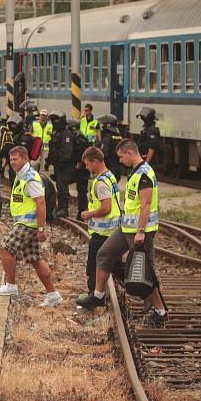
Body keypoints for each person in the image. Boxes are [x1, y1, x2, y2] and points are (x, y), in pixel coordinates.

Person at [78, 139, 166, 326]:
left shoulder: (144, 174)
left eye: (120, 156)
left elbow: (146, 204)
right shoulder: (135, 171)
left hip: (140, 232)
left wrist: (141, 232)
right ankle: (98, 295)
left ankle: (160, 311)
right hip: (126, 228)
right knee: (104, 254)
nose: (120, 160)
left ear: (129, 153)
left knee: (144, 271)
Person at [0, 146, 62, 308]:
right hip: (25, 222)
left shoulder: (31, 178)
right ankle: (53, 295)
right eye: (11, 159)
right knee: (35, 259)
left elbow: (41, 203)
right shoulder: (21, 175)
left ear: (25, 158)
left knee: (5, 247)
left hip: (28, 223)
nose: (12, 162)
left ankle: (10, 286)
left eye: (16, 159)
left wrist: (41, 228)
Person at [78, 147, 123, 302]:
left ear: (95, 161)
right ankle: (138, 287)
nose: (86, 167)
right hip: (113, 230)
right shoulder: (110, 176)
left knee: (93, 266)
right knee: (116, 265)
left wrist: (87, 214)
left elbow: (106, 208)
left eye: (87, 164)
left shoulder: (101, 183)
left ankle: (94, 297)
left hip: (103, 233)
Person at [47, 110, 74, 218]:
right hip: (58, 165)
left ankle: (64, 209)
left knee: (63, 187)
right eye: (53, 120)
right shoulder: (57, 133)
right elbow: (53, 148)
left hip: (65, 165)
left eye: (56, 119)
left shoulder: (67, 133)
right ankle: (60, 207)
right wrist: (48, 161)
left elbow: (68, 151)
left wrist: (62, 162)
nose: (55, 122)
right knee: (59, 185)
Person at [96, 114, 124, 180]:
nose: (102, 127)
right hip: (117, 169)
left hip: (109, 170)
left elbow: (103, 155)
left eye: (103, 125)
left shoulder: (107, 138)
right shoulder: (119, 137)